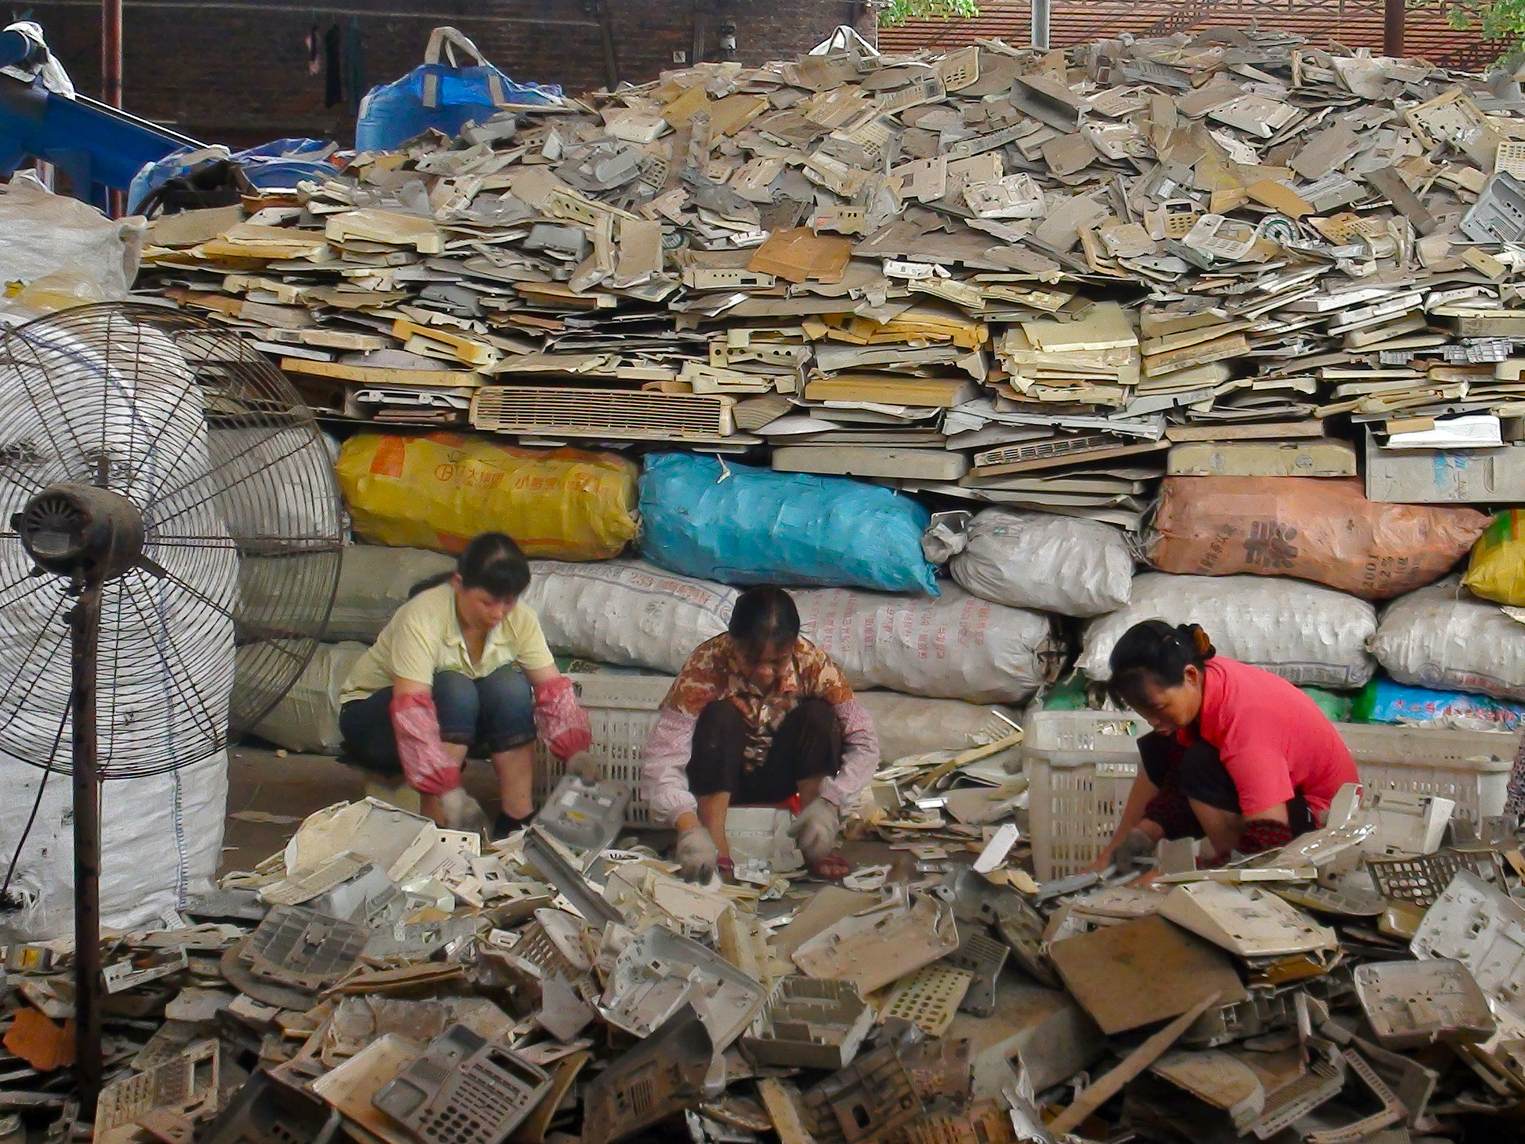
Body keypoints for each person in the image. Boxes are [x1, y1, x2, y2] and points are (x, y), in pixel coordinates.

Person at [338, 533, 596, 836]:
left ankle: (517, 819)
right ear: (458, 584)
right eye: (486, 602)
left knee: (510, 687)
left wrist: (577, 754)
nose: (498, 614)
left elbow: (552, 690)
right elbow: (412, 708)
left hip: (458, 720)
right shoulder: (423, 616)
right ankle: (437, 820)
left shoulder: (520, 620)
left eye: (508, 602)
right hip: (375, 720)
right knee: (453, 688)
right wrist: (449, 793)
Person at [641, 586, 879, 883]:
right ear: (733, 643)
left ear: (792, 646)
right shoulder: (705, 667)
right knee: (719, 716)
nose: (765, 672)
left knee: (819, 716)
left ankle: (813, 838)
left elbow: (864, 742)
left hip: (782, 777)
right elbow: (661, 757)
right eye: (752, 659)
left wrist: (831, 802)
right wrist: (688, 827)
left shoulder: (813, 664)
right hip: (725, 778)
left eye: (777, 661)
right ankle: (716, 846)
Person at [1090, 620, 1360, 871]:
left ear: (1190, 676)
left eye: (1158, 708)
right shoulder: (1208, 680)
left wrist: (1207, 877)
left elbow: (1269, 838)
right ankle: (1112, 861)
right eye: (1143, 713)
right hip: (1284, 800)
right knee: (1164, 746)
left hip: (1325, 827)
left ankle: (1233, 869)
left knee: (1200, 764)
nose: (1153, 721)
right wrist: (1144, 832)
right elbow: (1176, 776)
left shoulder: (1245, 724)